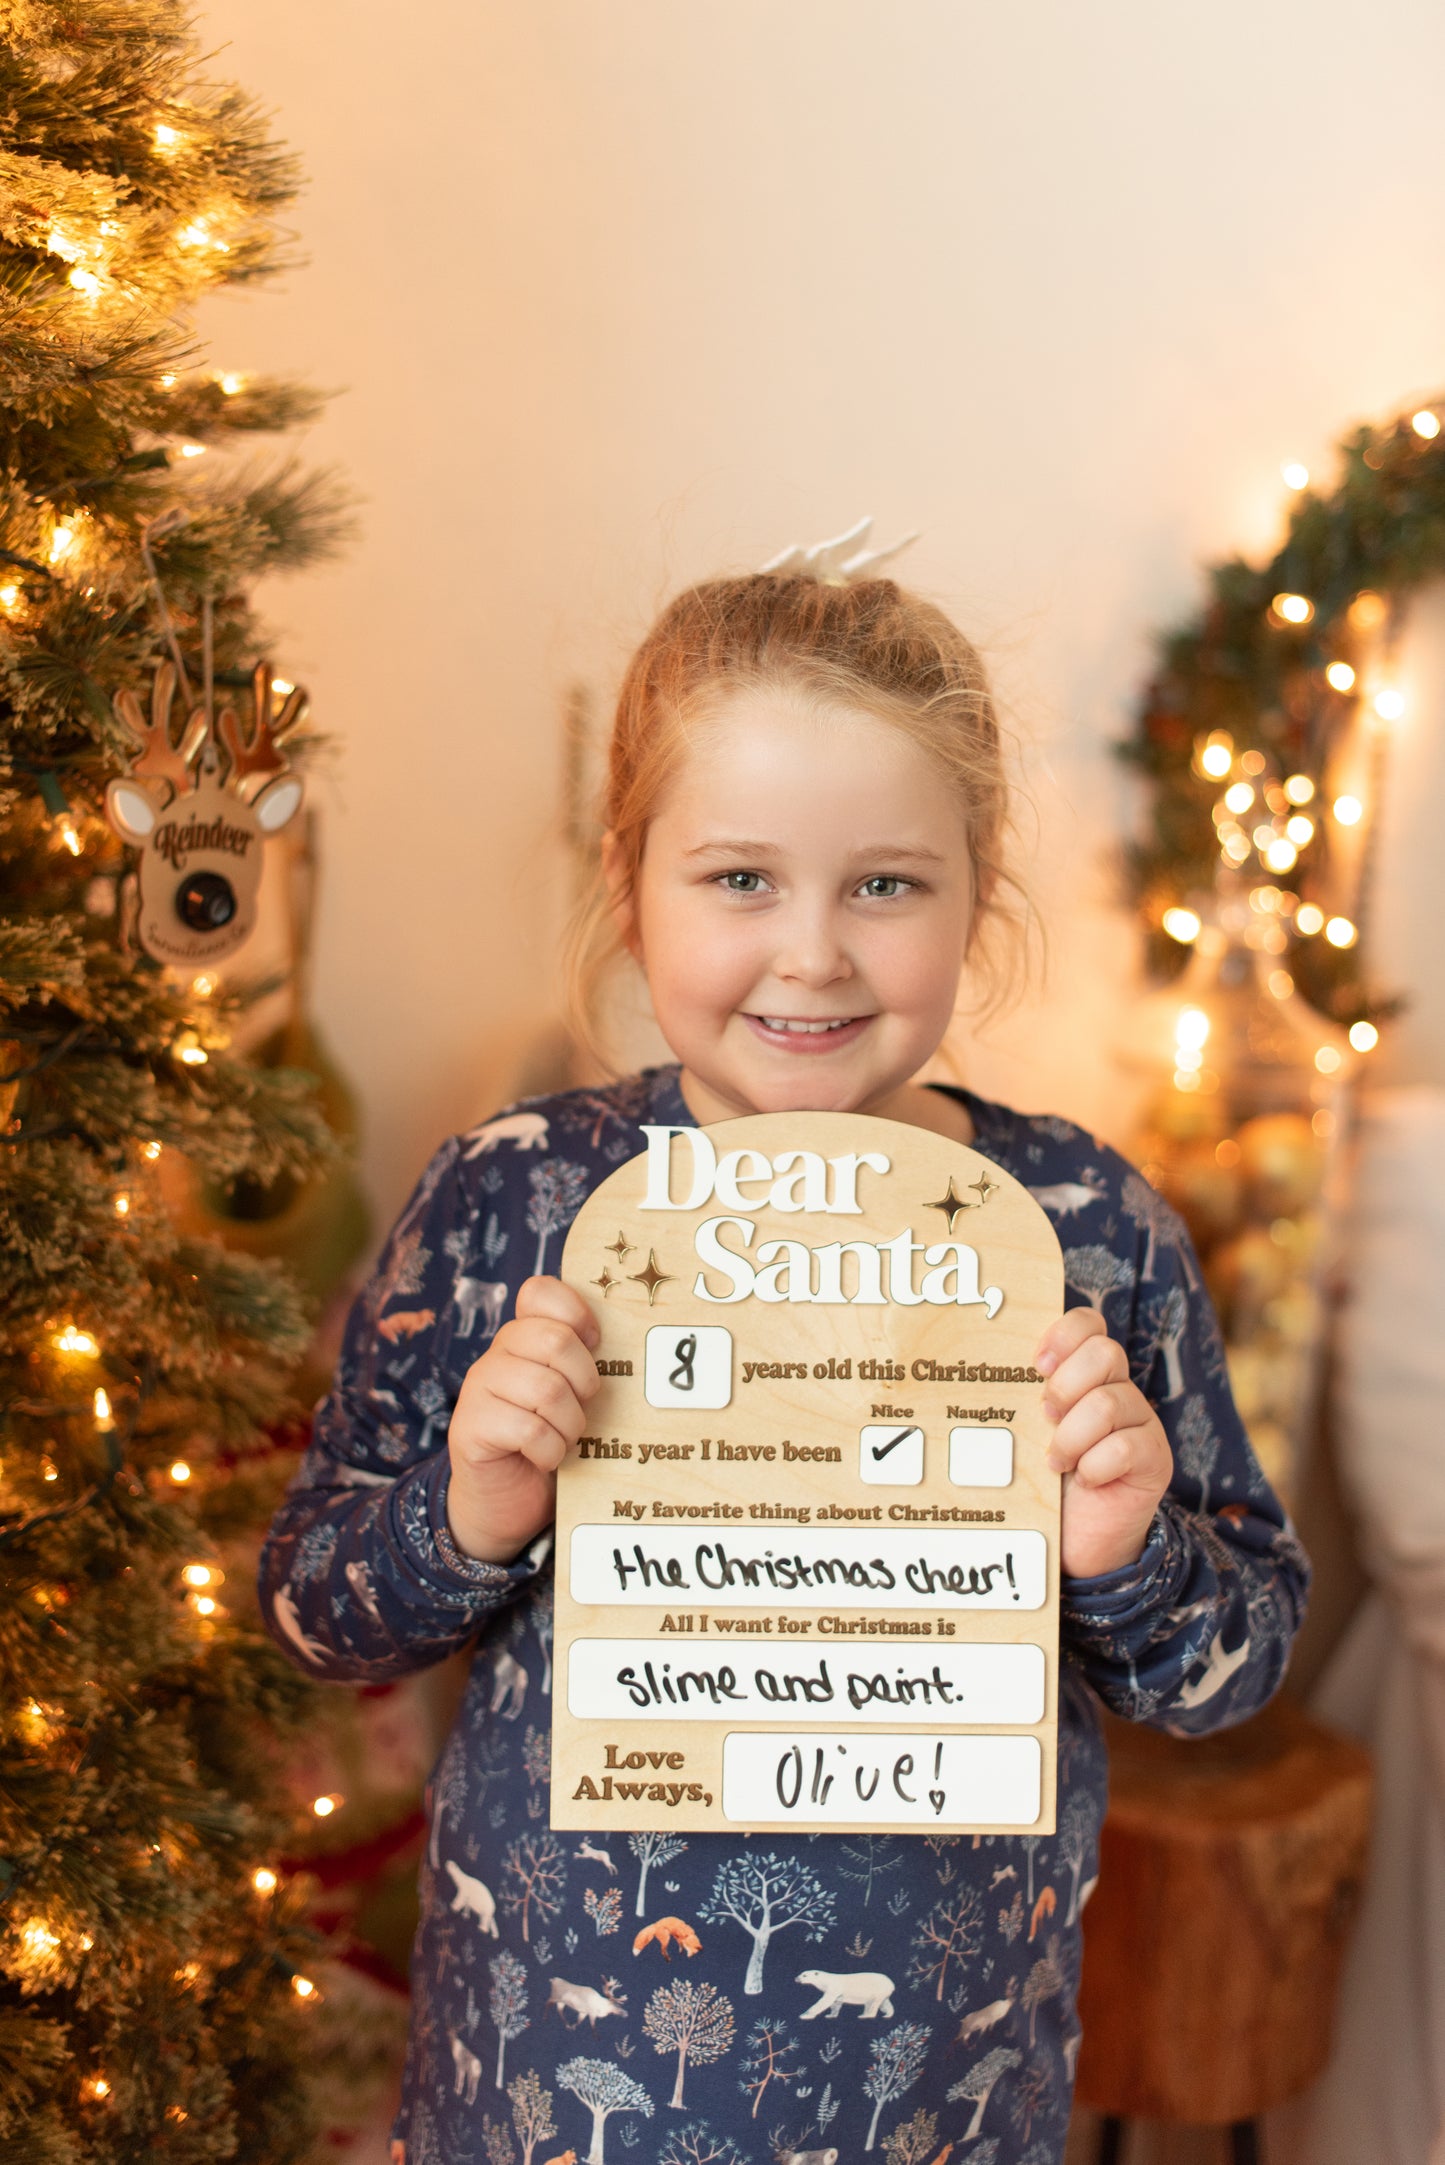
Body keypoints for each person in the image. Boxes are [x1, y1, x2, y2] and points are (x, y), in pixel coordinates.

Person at [260, 560, 1309, 2165]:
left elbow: (1234, 1665)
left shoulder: (1086, 1224)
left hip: (939, 2100)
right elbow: (315, 1612)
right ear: (630, 884)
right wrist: (471, 1504)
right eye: (738, 877)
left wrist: (1124, 1552)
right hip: (542, 2086)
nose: (811, 954)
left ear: (978, 889)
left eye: (884, 884)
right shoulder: (510, 1198)